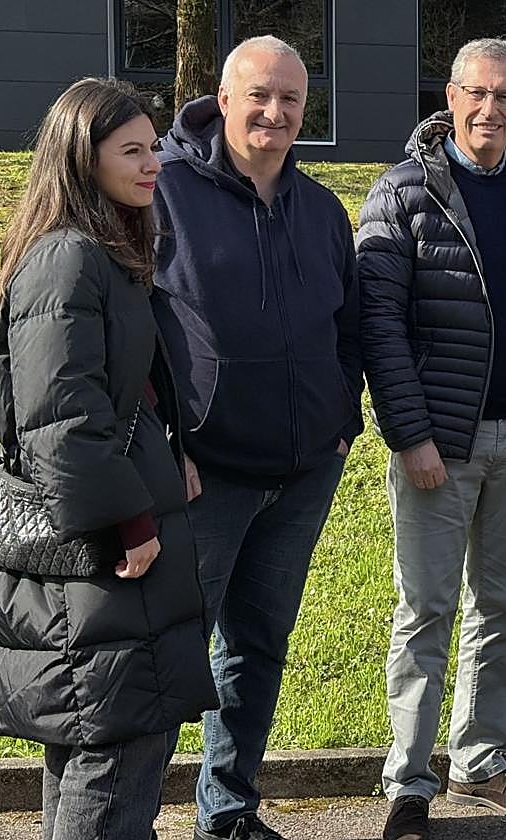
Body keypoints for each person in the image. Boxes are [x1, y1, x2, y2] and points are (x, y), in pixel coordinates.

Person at [355, 38, 506, 840]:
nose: (491, 109)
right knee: (425, 610)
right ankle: (409, 781)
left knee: (502, 608)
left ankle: (482, 762)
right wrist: (411, 436)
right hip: (438, 445)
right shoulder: (402, 194)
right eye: (477, 93)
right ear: (450, 98)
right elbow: (378, 326)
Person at [0, 77, 216, 840]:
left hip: (104, 564)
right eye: (133, 151)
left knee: (92, 745)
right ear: (82, 159)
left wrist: (169, 453)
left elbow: (120, 392)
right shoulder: (68, 260)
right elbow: (61, 422)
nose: (154, 164)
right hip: (103, 563)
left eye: (155, 147)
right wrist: (133, 520)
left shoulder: (102, 254)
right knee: (114, 761)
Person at [150, 35, 363, 840]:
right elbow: (134, 332)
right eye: (260, 96)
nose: (274, 114)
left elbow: (349, 325)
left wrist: (343, 417)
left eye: (291, 101)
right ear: (223, 96)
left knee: (258, 648)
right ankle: (125, 812)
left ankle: (227, 807)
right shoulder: (163, 192)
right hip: (205, 475)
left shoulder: (321, 210)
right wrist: (169, 444)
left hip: (304, 471)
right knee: (173, 654)